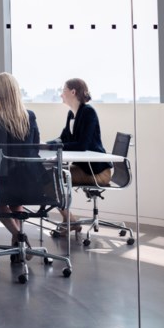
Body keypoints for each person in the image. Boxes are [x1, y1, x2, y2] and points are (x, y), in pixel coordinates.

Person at [0, 73, 40, 252]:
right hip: (30, 179)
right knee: (16, 201)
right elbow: (36, 147)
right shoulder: (29, 115)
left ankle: (18, 235)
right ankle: (18, 245)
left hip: (4, 177)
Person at [55, 78, 113, 233]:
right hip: (84, 168)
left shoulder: (88, 112)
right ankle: (69, 220)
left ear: (73, 92)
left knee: (53, 177)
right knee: (51, 174)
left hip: (97, 171)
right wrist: (44, 144)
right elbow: (63, 138)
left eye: (63, 91)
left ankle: (71, 221)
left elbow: (82, 145)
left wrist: (56, 145)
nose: (61, 95)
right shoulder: (71, 114)